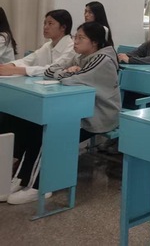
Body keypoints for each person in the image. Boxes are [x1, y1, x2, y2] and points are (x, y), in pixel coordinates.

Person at [6, 22, 120, 205]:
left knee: (51, 132)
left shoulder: (103, 59)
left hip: (98, 115)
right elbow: (51, 70)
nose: (76, 41)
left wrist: (68, 73)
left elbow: (71, 80)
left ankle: (40, 186)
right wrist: (66, 71)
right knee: (34, 127)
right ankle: (22, 178)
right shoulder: (81, 55)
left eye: (81, 38)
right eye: (76, 37)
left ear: (95, 42)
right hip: (77, 109)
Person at [0, 10, 75, 77]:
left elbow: (52, 70)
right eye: (45, 23)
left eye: (50, 24)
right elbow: (27, 60)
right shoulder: (47, 45)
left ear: (63, 27)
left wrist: (15, 70)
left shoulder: (72, 47)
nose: (45, 27)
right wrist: (9, 65)